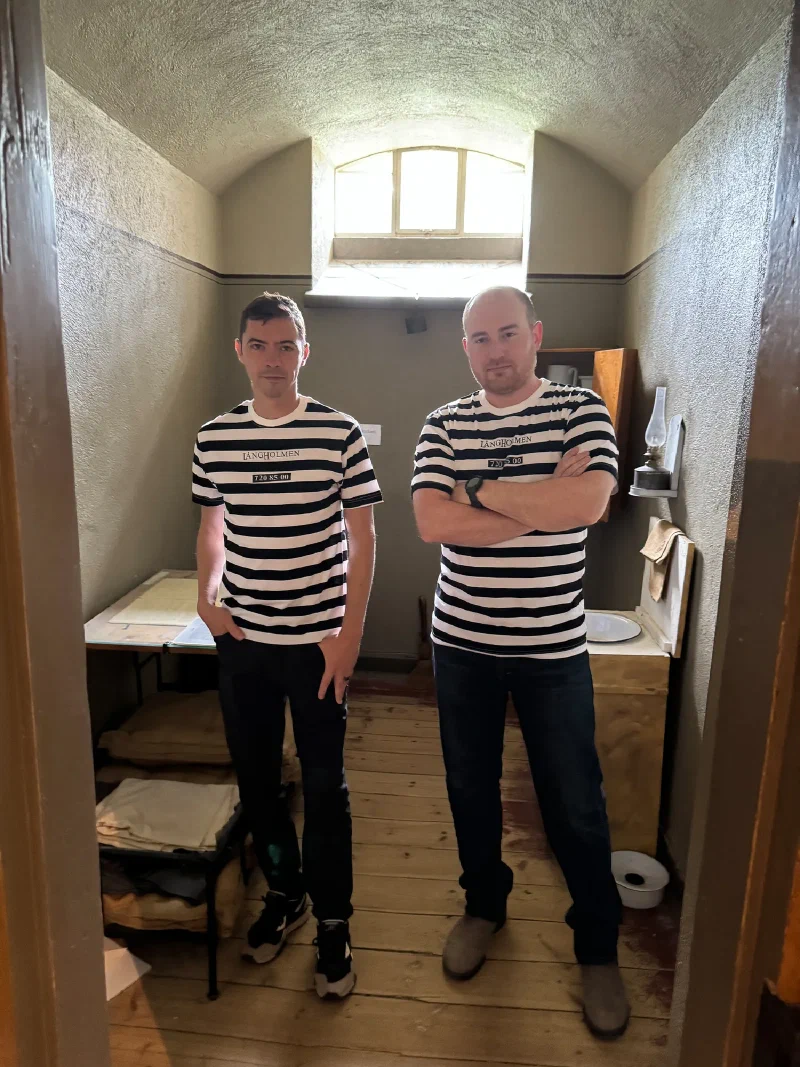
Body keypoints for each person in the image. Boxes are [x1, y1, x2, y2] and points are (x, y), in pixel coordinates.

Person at [411, 286, 628, 1038]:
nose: (495, 350)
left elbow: (590, 505)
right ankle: (483, 907)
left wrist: (478, 491)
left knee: (575, 800)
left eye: (507, 333)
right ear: (464, 348)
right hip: (461, 645)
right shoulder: (442, 422)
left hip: (552, 649)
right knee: (469, 788)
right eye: (479, 338)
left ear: (535, 334)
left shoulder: (580, 410)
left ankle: (598, 946)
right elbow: (433, 522)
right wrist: (538, 495)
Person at [191, 292, 381, 999]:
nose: (273, 359)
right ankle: (287, 892)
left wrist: (350, 635)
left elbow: (363, 537)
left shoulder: (340, 433)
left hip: (319, 645)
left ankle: (335, 918)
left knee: (326, 787)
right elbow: (213, 525)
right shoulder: (214, 437)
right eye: (259, 344)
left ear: (305, 352)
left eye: (286, 345)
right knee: (258, 783)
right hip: (245, 643)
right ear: (239, 351)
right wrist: (206, 596)